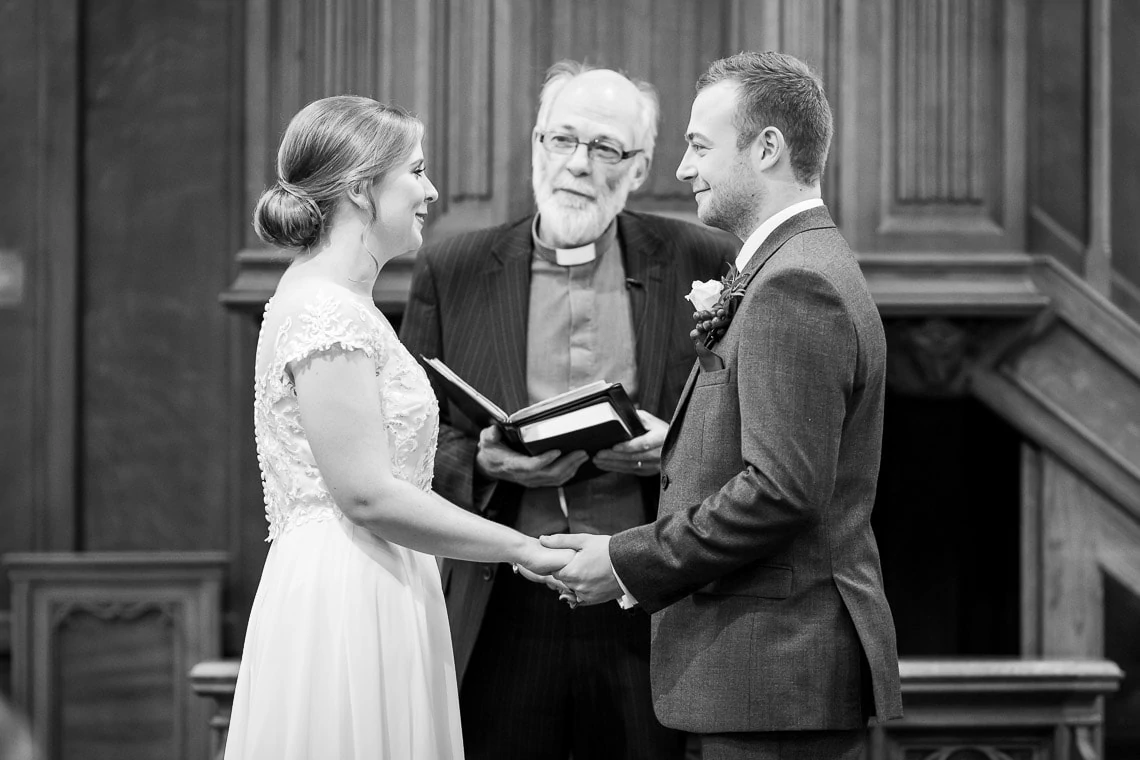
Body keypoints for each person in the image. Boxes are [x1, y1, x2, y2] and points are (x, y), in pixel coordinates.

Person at [541, 52, 904, 759]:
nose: (682, 168)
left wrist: (625, 559)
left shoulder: (798, 283)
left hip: (775, 675)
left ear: (766, 147)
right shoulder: (794, 262)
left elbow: (781, 491)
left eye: (700, 145)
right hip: (765, 677)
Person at [399, 62, 735, 760]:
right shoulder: (453, 268)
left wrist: (677, 444)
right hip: (505, 606)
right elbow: (411, 439)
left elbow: (740, 422)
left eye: (606, 148)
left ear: (640, 167)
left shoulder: (705, 258)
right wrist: (484, 462)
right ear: (534, 146)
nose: (577, 165)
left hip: (649, 599)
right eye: (561, 140)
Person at [224, 96, 573, 760]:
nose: (431, 191)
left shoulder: (343, 301)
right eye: (415, 171)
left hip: (383, 573)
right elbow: (366, 494)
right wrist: (521, 547)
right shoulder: (325, 310)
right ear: (361, 188)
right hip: (345, 593)